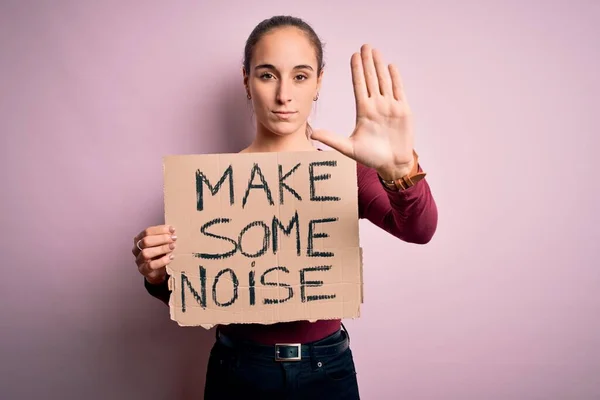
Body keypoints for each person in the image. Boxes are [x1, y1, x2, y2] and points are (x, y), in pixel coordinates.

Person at [132, 15, 438, 400]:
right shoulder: (211, 187)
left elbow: (420, 230)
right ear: (246, 80)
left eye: (300, 76)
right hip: (238, 369)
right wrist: (158, 275)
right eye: (267, 75)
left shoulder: (345, 173)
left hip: (326, 370)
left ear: (319, 82)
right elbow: (198, 292)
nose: (283, 95)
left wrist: (400, 170)